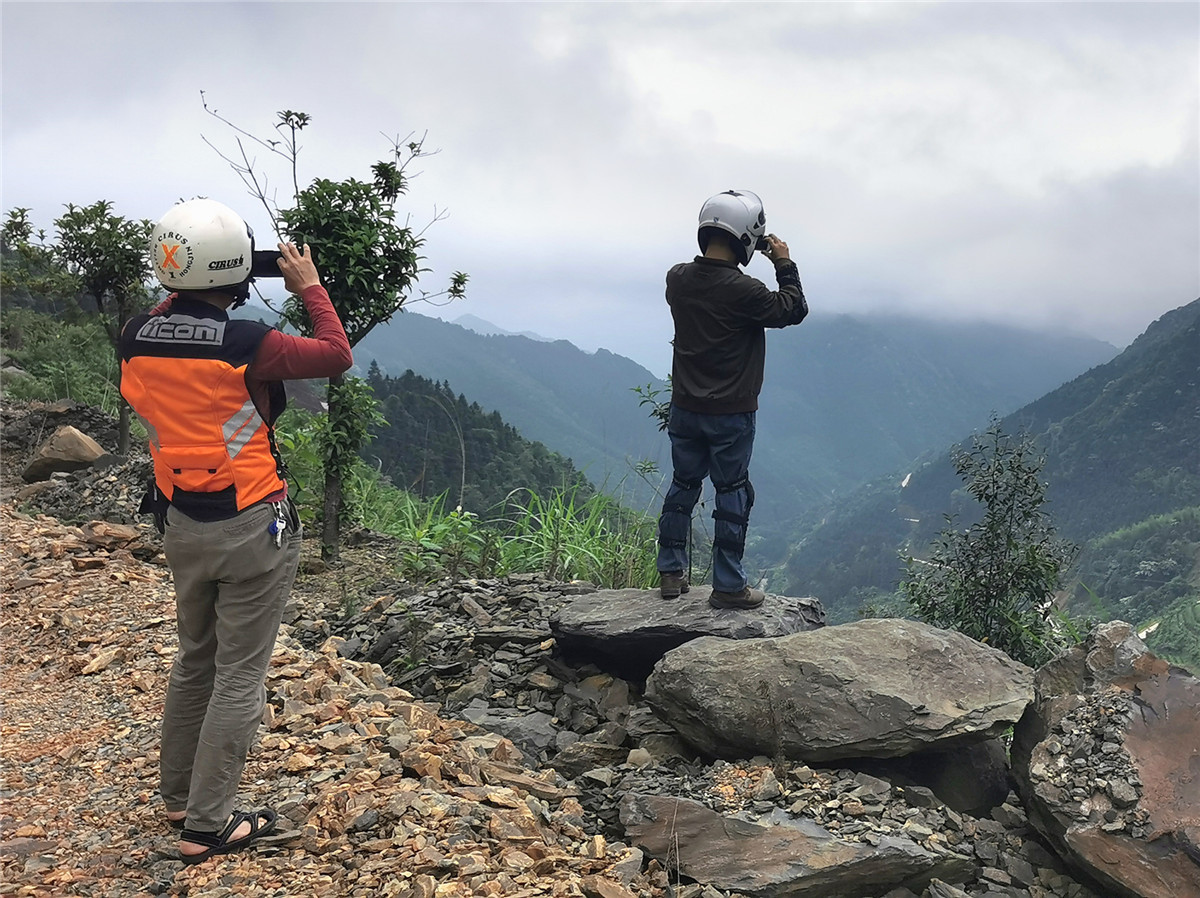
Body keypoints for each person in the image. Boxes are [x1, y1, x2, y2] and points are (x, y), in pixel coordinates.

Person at [120, 198, 352, 863]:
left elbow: (175, 311)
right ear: (234, 268)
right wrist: (309, 288)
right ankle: (207, 825)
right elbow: (334, 356)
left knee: (197, 657)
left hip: (180, 519)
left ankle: (176, 796)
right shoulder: (246, 344)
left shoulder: (136, 334)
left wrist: (193, 277)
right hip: (250, 524)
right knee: (240, 675)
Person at [656, 189, 808, 609]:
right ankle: (728, 585)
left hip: (685, 407)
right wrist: (782, 261)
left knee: (683, 484)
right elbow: (793, 309)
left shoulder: (677, 278)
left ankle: (670, 572)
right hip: (731, 413)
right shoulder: (746, 292)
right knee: (732, 492)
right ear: (747, 236)